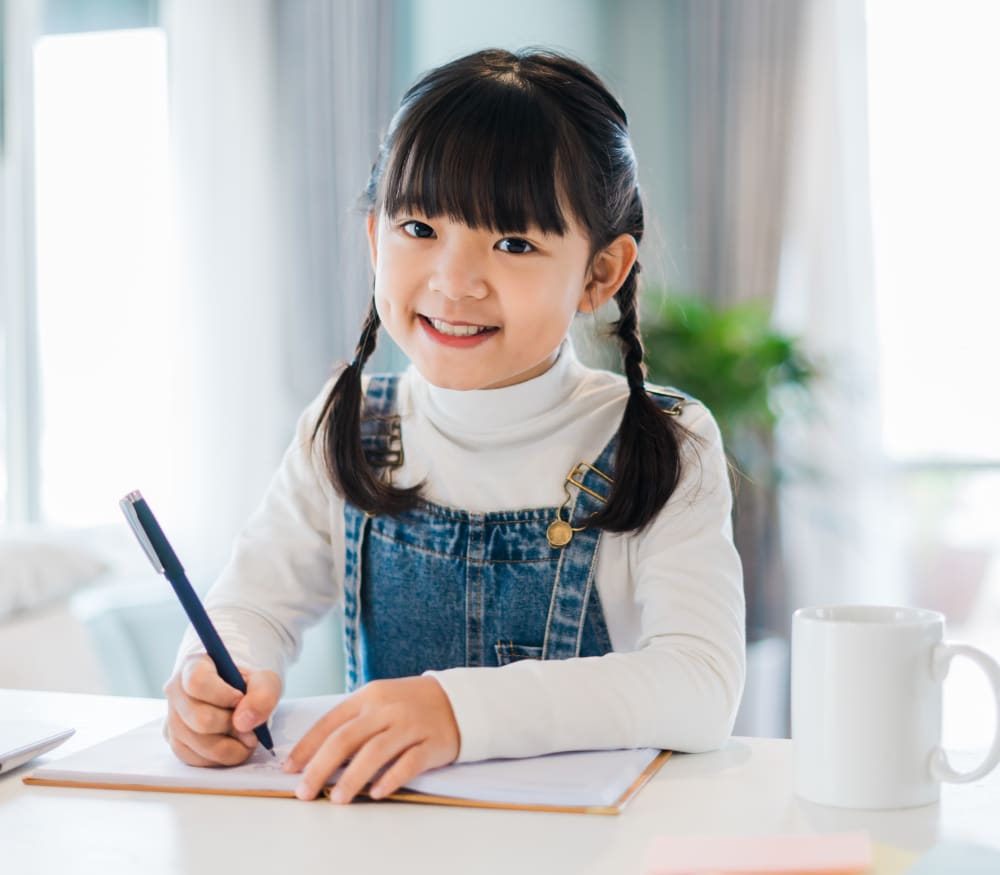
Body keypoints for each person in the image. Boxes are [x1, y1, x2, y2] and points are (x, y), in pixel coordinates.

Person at [164, 47, 745, 804]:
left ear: (600, 275)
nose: (454, 280)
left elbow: (701, 683)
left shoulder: (662, 442)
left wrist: (456, 712)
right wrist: (209, 678)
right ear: (375, 238)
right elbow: (251, 606)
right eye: (418, 227)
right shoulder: (347, 429)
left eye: (513, 243)